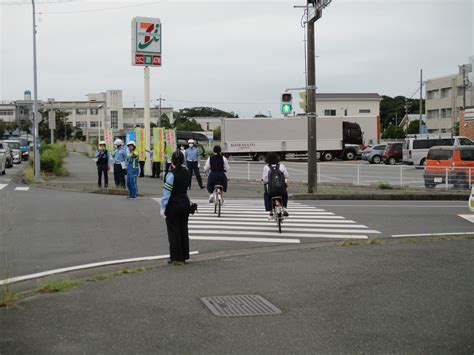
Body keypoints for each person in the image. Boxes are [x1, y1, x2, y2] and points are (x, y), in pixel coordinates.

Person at [160, 150, 192, 265]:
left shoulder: (171, 174)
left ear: (171, 160)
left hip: (173, 205)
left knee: (174, 232)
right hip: (185, 203)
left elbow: (166, 193)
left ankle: (175, 257)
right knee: (183, 230)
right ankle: (184, 256)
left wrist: (163, 207)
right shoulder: (187, 172)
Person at [262, 152, 289, 220]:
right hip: (281, 190)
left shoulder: (266, 167)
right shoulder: (281, 166)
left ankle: (271, 213)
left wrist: (263, 181)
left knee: (266, 195)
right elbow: (287, 175)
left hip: (271, 191)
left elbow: (265, 179)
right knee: (285, 193)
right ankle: (284, 207)